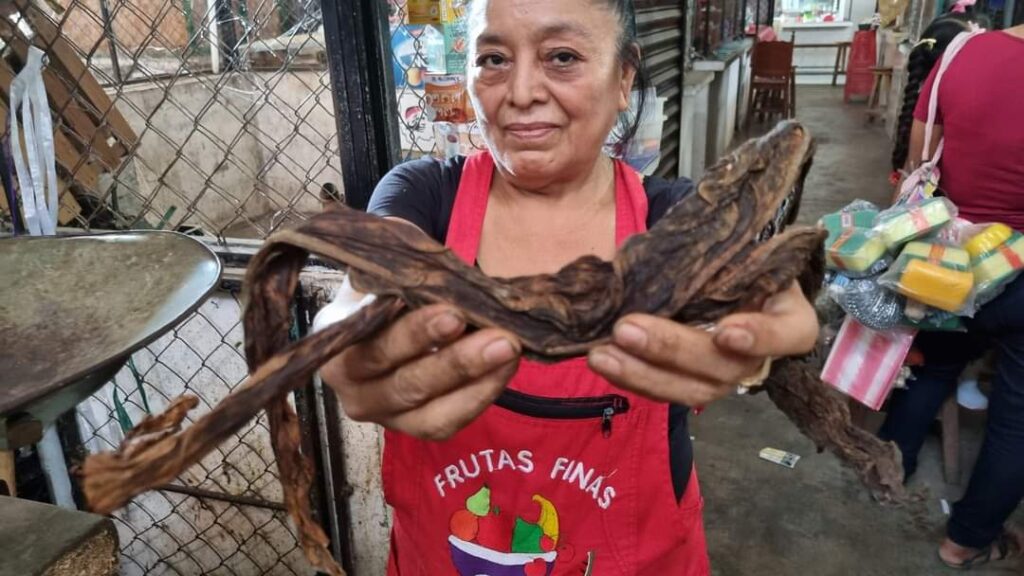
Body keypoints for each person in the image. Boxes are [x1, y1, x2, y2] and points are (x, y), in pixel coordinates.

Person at [319, 1, 819, 573]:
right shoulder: (422, 198)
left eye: (562, 57)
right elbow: (368, 285)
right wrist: (341, 335)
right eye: (494, 58)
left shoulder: (673, 227)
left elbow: (748, 292)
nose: (522, 91)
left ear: (624, 77)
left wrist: (759, 339)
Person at [880, 17, 1024, 570]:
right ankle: (964, 540)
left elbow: (919, 155)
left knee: (934, 364)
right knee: (1016, 416)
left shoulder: (963, 50)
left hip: (953, 258)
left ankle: (889, 468)